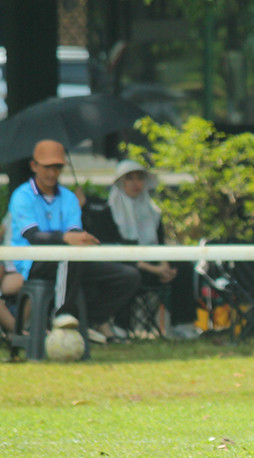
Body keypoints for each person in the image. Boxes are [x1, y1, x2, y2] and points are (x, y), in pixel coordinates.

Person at [8, 140, 140, 342]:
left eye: (57, 167)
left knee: (128, 276)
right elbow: (33, 236)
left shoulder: (69, 198)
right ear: (34, 166)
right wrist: (67, 238)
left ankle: (84, 321)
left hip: (71, 261)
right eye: (47, 167)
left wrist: (83, 238)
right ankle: (61, 318)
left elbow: (74, 233)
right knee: (68, 255)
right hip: (32, 262)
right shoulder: (22, 196)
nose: (52, 173)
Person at [103, 159, 199, 338]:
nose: (135, 183)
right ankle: (121, 326)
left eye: (139, 178)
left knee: (183, 267)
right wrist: (155, 269)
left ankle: (182, 325)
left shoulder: (152, 211)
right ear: (120, 182)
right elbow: (118, 250)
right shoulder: (109, 211)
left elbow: (159, 243)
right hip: (129, 265)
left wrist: (164, 266)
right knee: (127, 272)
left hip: (154, 263)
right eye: (129, 179)